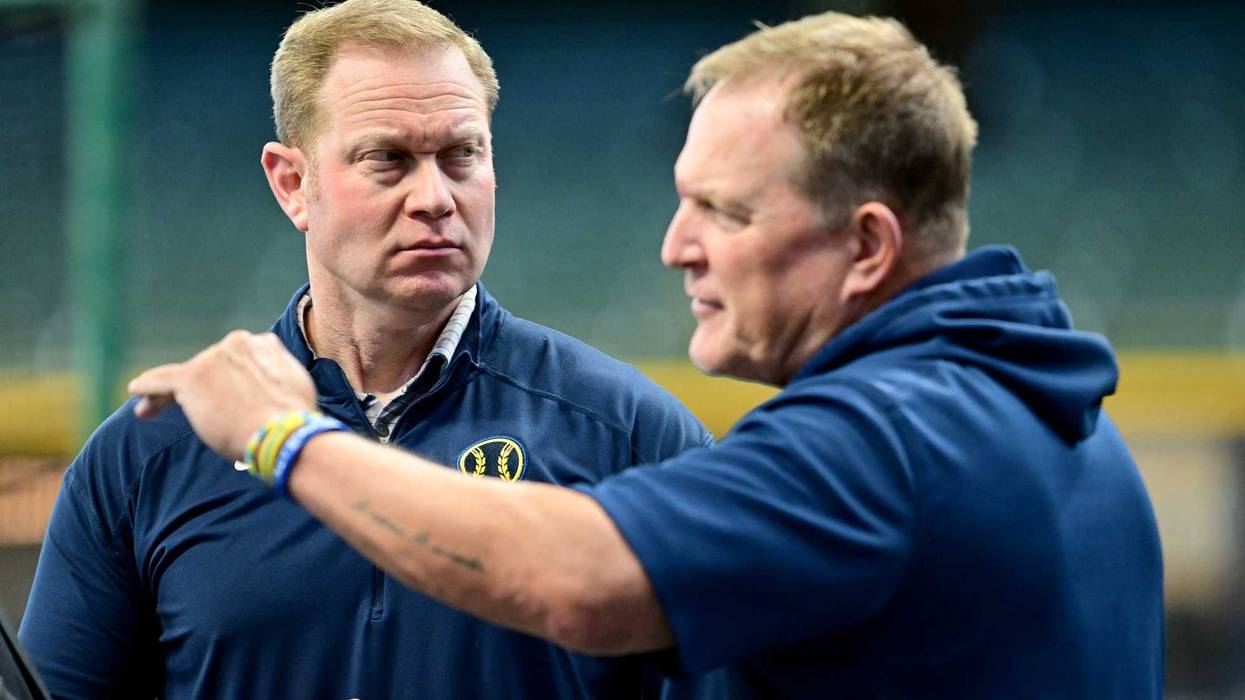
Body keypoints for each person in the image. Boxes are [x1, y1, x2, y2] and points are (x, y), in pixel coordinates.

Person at [124, 9, 1164, 699]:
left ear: (867, 245)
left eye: (723, 209)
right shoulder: (1057, 417)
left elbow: (578, 579)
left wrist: (281, 438)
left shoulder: (876, 443)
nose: (678, 245)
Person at [18, 1, 711, 698]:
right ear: (292, 183)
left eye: (462, 154)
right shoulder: (149, 453)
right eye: (389, 159)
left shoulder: (629, 434)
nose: (435, 197)